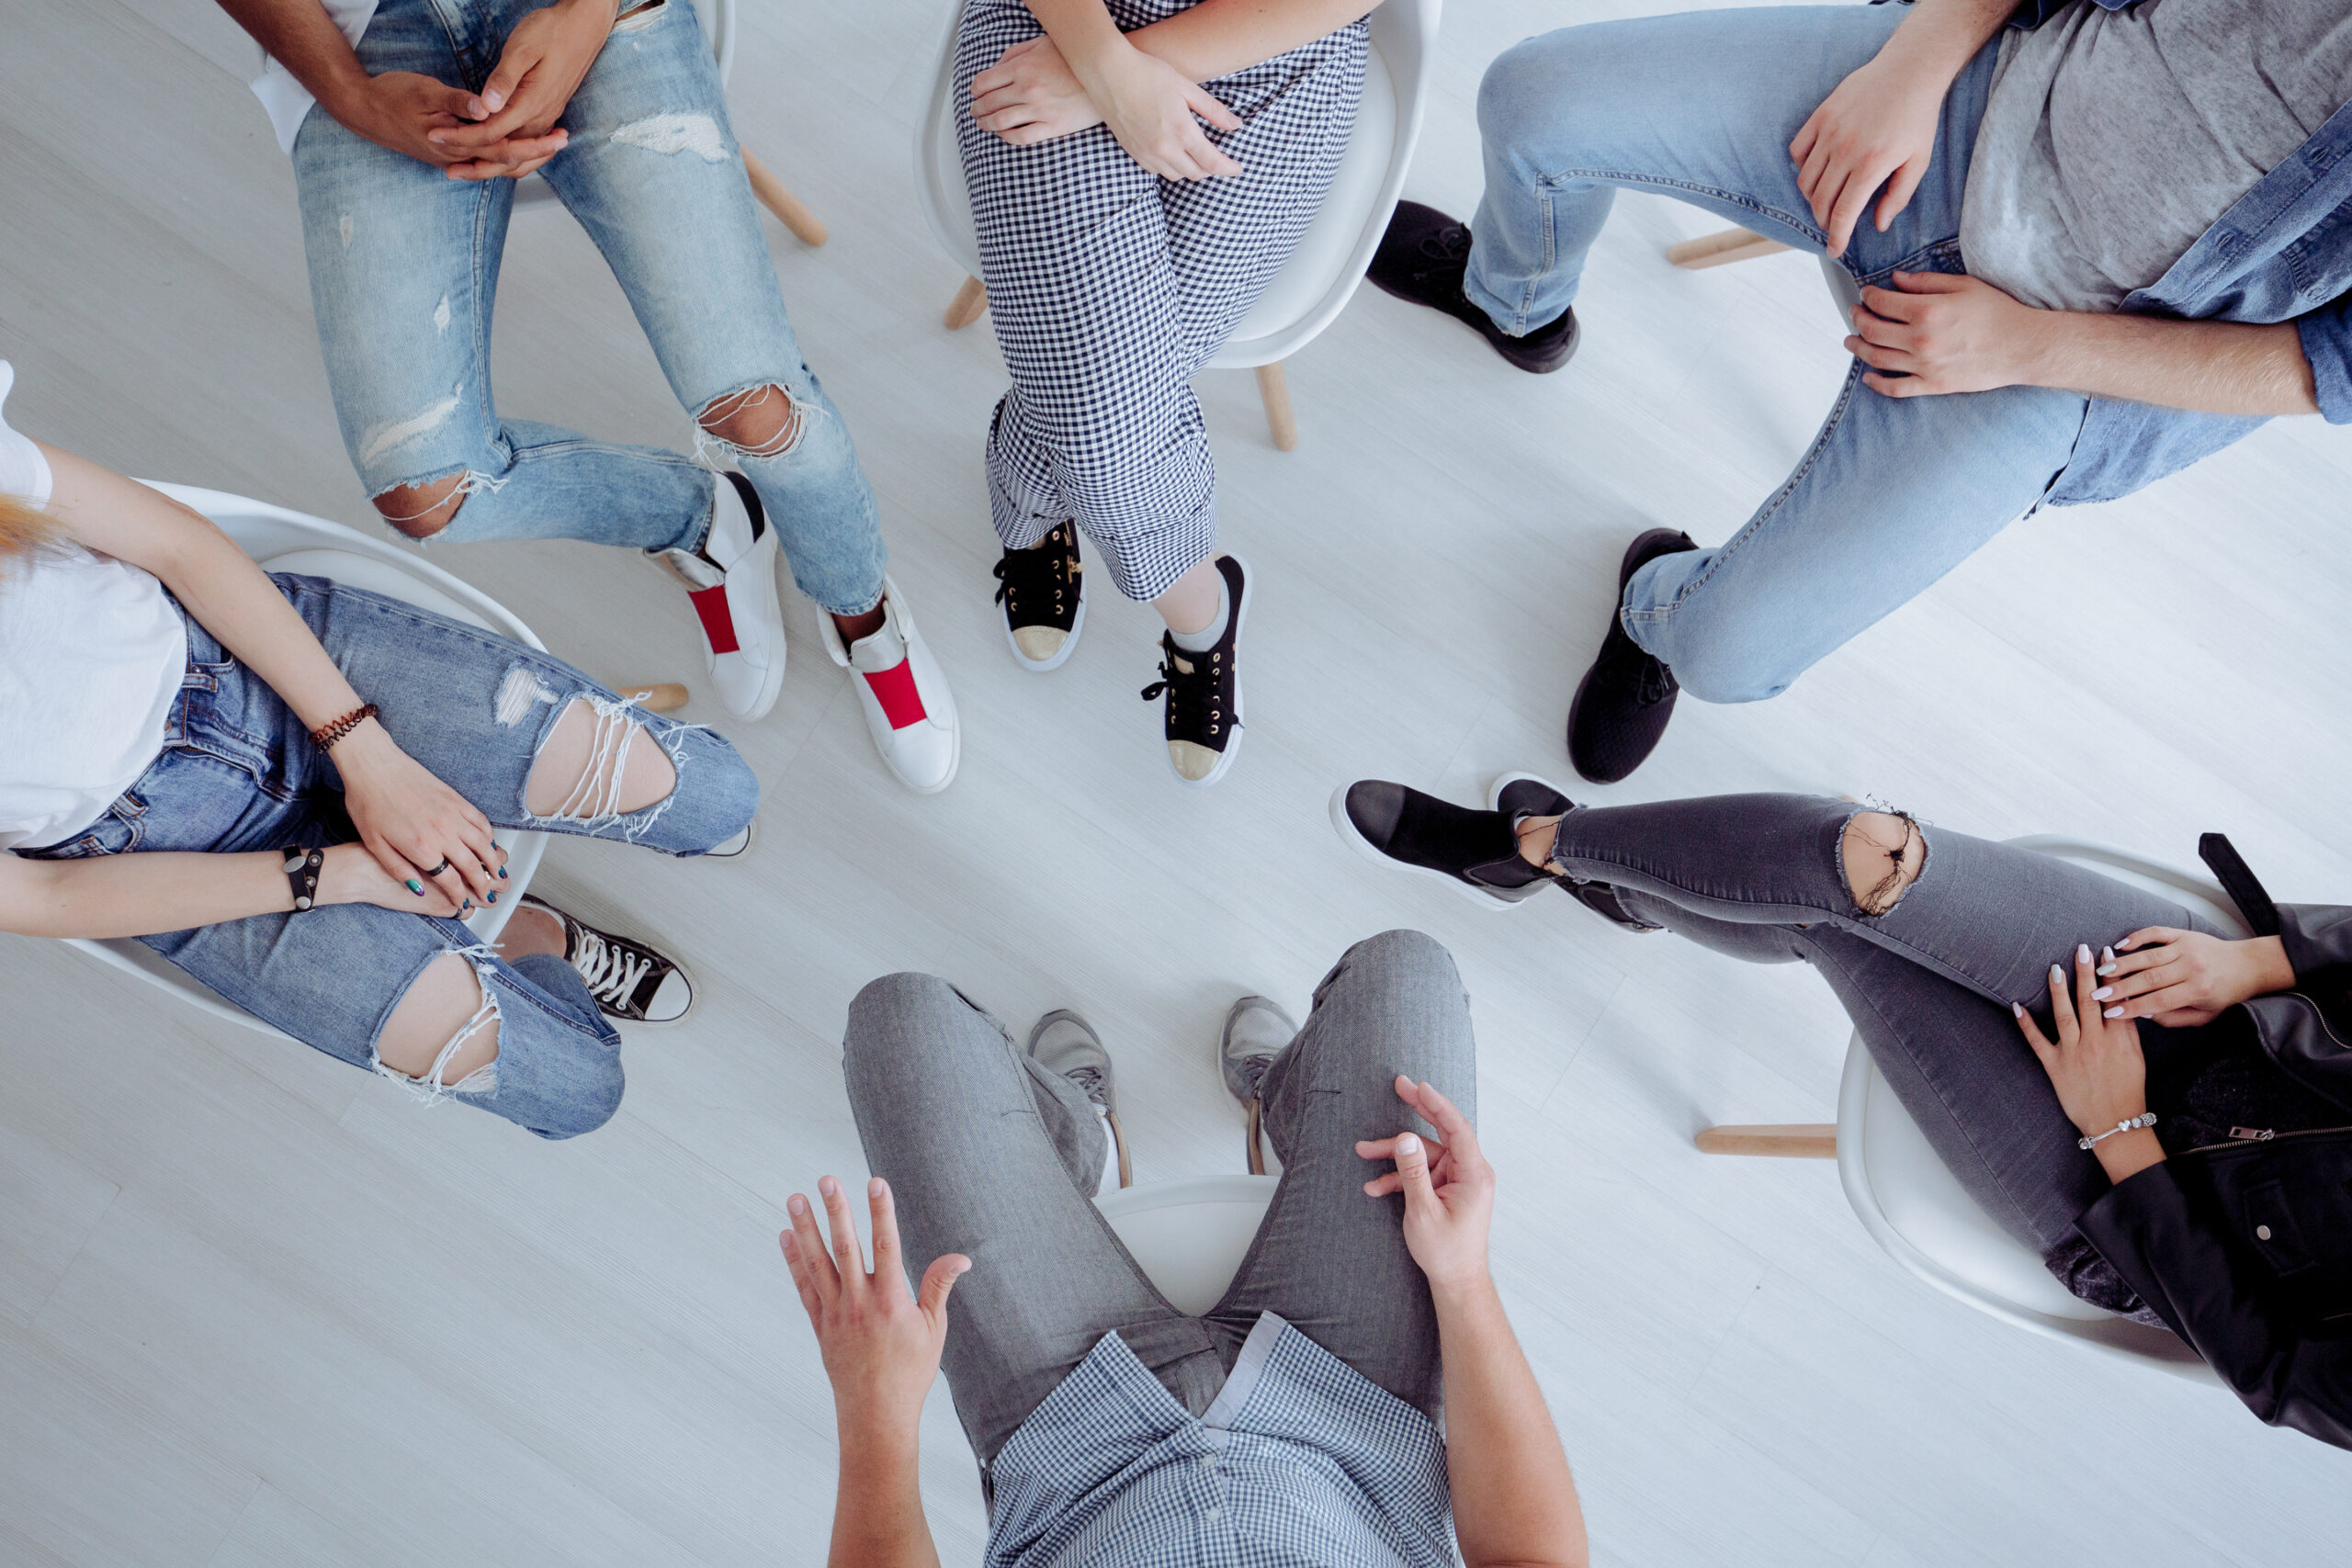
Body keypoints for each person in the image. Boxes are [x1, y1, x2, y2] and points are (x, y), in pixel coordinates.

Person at [1366, 0, 2352, 784]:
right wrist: (1914, 65)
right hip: (1987, 89)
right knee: (1532, 101)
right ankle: (1518, 306)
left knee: (1727, 656)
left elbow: (2329, 362)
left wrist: (2027, 346)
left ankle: (1653, 612)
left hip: (2072, 358)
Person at [1334, 772, 2352, 1449]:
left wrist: (2122, 1133)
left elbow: (2273, 1371)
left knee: (1834, 929)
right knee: (1861, 856)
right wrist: (2263, 962)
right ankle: (1555, 851)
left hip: (2137, 1204)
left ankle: (1576, 869)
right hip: (2238, 1021)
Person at [214, 0, 960, 791]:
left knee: (754, 407)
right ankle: (707, 522)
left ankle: (863, 614)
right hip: (364, 40)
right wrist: (351, 96)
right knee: (426, 494)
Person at [0, 361, 757, 1139]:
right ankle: (525, 938)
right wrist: (339, 874)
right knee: (578, 1091)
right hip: (160, 856)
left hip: (248, 660)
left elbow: (179, 546)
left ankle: (462, 912)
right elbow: (46, 900)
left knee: (718, 797)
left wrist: (368, 757)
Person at [779, 931, 1589, 1565]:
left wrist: (874, 1409)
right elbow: (1533, 1559)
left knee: (901, 1020)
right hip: (1352, 1422)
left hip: (1071, 1447)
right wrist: (1464, 1277)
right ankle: (1275, 1107)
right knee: (1405, 973)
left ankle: (1073, 1148)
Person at [956, 0, 1375, 785]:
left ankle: (1034, 492)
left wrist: (1124, 77)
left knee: (1101, 399)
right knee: (1103, 408)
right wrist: (1108, 70)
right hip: (1059, 24)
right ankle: (1202, 613)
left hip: (1272, 44)